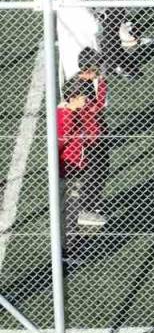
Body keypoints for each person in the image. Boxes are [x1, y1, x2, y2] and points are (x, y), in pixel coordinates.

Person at [56, 78, 97, 241]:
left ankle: (70, 243)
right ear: (72, 98)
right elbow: (58, 146)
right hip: (67, 172)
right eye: (82, 97)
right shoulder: (66, 118)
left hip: (76, 169)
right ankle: (67, 247)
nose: (86, 99)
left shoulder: (75, 113)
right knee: (68, 211)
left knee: (72, 209)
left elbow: (89, 138)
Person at [72, 49, 109, 229]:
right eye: (97, 67)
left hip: (94, 135)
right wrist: (102, 85)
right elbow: (97, 108)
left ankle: (91, 202)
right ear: (88, 68)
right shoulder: (79, 87)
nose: (100, 70)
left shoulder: (84, 82)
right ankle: (86, 210)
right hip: (89, 138)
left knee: (101, 169)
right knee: (96, 171)